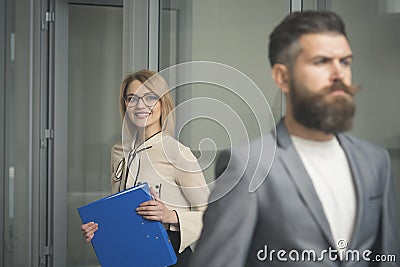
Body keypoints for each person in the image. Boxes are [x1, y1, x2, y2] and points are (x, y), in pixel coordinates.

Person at [190, 11, 399, 267]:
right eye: (321, 61)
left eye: (345, 62)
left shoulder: (376, 161)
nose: (338, 74)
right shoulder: (248, 166)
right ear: (282, 77)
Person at [81, 69, 210, 267]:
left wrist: (171, 216)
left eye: (150, 97)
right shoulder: (118, 152)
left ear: (162, 102)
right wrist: (99, 229)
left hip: (169, 254)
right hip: (130, 253)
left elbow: (213, 216)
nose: (140, 105)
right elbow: (122, 211)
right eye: (132, 98)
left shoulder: (177, 153)